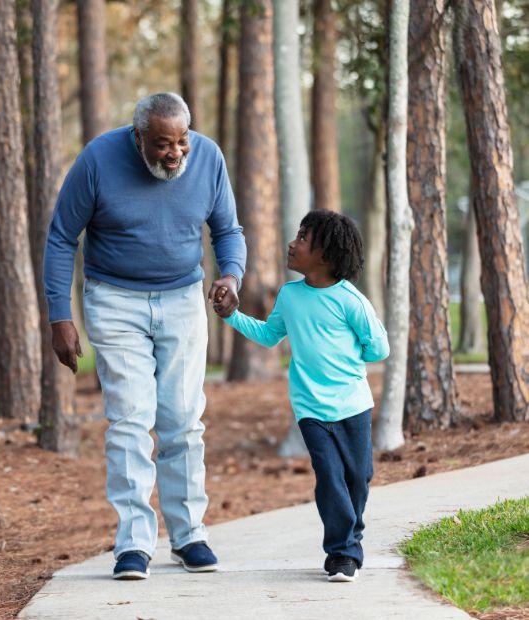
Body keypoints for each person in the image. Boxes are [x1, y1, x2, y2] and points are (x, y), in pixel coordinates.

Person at [43, 92, 245, 580]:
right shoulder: (98, 159)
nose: (174, 153)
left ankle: (189, 533)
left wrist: (231, 276)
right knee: (131, 420)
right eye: (161, 143)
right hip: (114, 301)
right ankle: (133, 543)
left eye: (182, 142)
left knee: (182, 420)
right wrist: (59, 316)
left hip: (181, 300)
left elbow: (227, 229)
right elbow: (60, 238)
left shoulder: (209, 158)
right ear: (138, 137)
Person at [214, 209, 389, 582]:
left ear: (324, 255)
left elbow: (379, 349)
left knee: (359, 477)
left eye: (303, 238)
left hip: (353, 404)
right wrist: (232, 315)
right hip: (310, 407)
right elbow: (268, 335)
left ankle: (349, 534)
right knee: (329, 477)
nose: (292, 243)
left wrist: (348, 359)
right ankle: (342, 553)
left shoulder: (350, 301)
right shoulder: (290, 296)